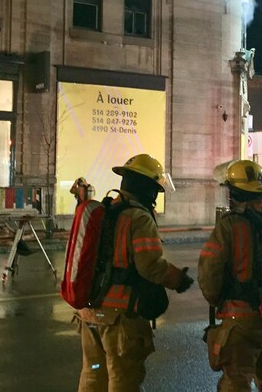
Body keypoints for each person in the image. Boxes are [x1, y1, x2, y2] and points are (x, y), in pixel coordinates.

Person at [76, 153, 194, 392]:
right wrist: (178, 279)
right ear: (146, 188)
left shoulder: (106, 210)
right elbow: (149, 265)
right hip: (119, 317)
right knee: (123, 379)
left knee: (93, 377)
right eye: (155, 190)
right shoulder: (138, 217)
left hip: (89, 312)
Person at [199, 159, 262, 391]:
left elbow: (210, 274)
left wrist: (217, 299)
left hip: (242, 320)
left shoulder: (228, 225)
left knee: (236, 383)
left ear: (234, 192)